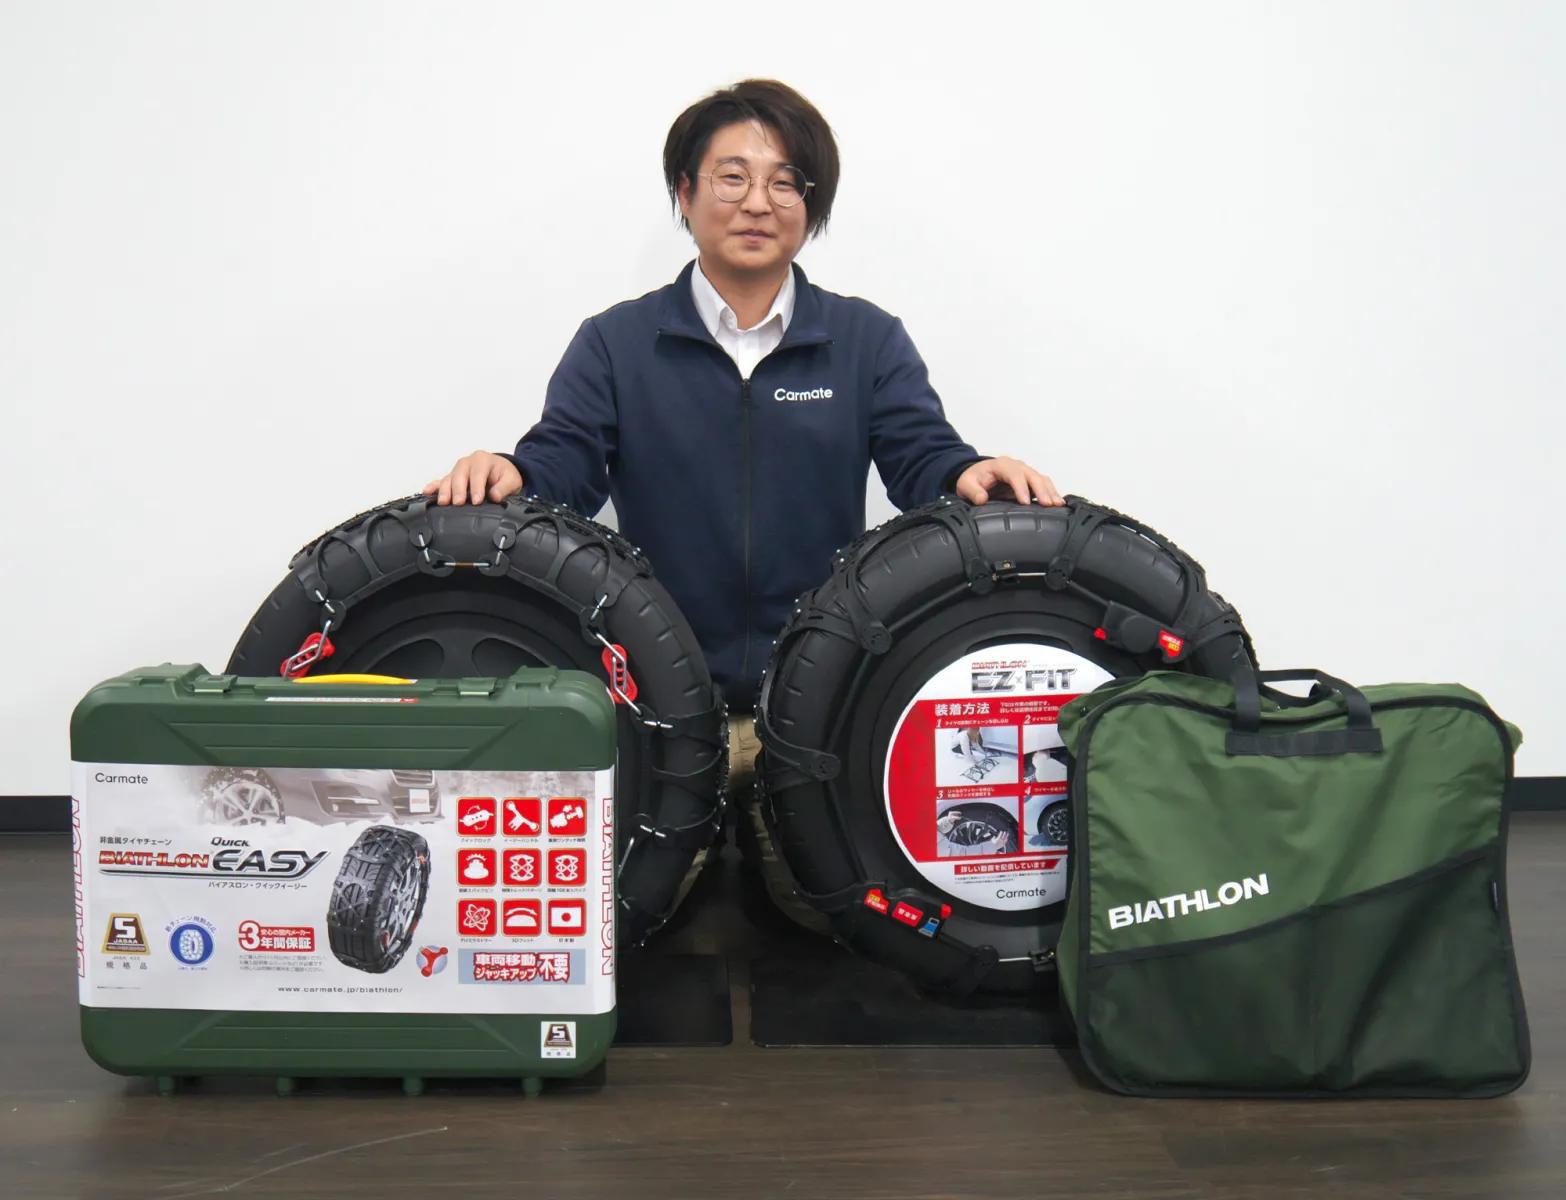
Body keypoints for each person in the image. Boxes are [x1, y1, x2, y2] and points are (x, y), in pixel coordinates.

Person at [424, 79, 1061, 800]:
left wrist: (967, 473)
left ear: (810, 206)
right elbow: (563, 465)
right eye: (733, 177)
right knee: (658, 875)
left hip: (821, 707)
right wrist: (512, 471)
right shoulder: (616, 342)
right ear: (685, 191)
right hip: (657, 706)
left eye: (785, 182)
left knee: (813, 876)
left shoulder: (865, 340)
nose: (758, 203)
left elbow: (922, 456)